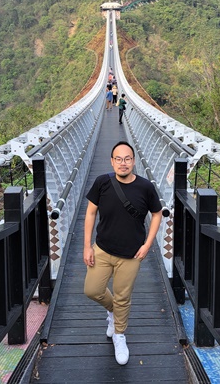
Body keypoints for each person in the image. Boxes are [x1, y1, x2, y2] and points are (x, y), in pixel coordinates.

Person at [83, 141, 163, 366]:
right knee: (92, 290)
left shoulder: (145, 187)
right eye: (118, 159)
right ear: (112, 161)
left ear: (134, 161)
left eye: (127, 158)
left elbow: (157, 215)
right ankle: (113, 312)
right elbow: (90, 213)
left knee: (123, 297)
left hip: (131, 255)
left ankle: (119, 334)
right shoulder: (102, 183)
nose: (123, 163)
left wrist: (148, 244)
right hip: (102, 249)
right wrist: (87, 245)